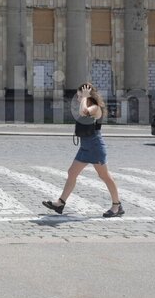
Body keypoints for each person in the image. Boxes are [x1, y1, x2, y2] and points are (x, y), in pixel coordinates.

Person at [42, 82, 123, 218]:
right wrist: (84, 98)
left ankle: (117, 206)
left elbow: (83, 111)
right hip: (85, 147)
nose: (79, 99)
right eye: (79, 96)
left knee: (104, 176)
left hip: (95, 147)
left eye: (80, 96)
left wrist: (85, 96)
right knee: (72, 172)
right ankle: (60, 203)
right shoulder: (87, 104)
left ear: (88, 95)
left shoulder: (95, 107)